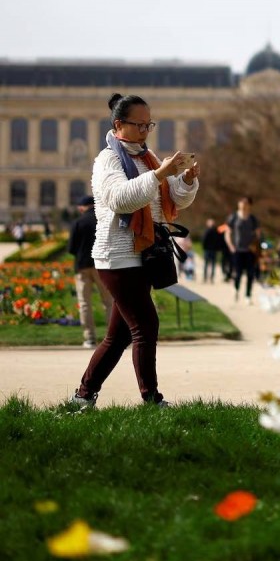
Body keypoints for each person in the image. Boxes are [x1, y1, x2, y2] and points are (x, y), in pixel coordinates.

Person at [72, 93, 199, 408]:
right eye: (139, 125)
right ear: (119, 124)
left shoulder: (148, 157)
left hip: (142, 253)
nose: (145, 131)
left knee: (119, 336)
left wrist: (185, 180)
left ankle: (83, 396)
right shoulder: (109, 159)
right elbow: (120, 199)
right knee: (145, 325)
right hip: (116, 256)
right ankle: (151, 399)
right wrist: (159, 175)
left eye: (149, 124)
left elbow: (170, 201)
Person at [67, 195, 114, 348]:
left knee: (85, 303)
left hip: (82, 267)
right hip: (101, 265)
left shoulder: (78, 222)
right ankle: (113, 337)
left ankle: (89, 338)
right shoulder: (103, 219)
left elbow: (71, 249)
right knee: (109, 302)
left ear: (81, 208)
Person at [224, 196, 261, 300]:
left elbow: (258, 234)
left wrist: (255, 244)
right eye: (241, 202)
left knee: (250, 273)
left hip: (250, 251)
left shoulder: (253, 219)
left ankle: (248, 295)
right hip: (237, 250)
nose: (243, 205)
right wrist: (231, 246)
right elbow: (227, 233)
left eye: (245, 203)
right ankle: (236, 290)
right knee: (238, 272)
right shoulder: (233, 217)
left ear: (250, 205)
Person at [200, 217, 221, 283]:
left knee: (212, 264)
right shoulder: (209, 231)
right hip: (208, 250)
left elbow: (218, 240)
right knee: (208, 264)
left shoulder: (215, 231)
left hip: (212, 250)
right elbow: (203, 240)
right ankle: (205, 277)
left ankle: (210, 278)